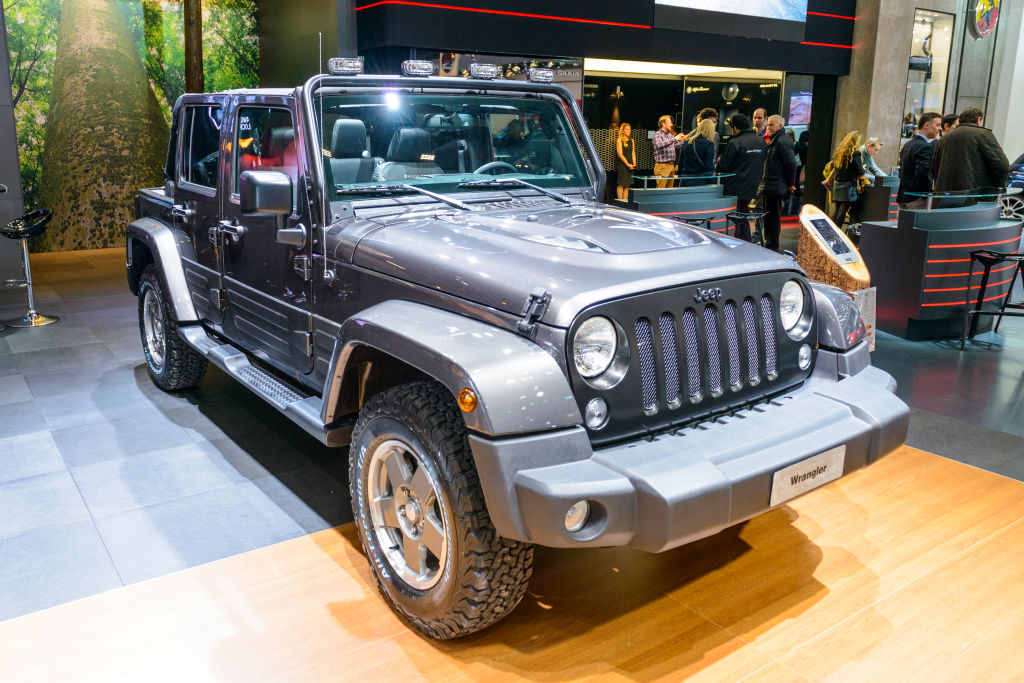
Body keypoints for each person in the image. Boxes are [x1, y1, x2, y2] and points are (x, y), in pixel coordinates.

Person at [931, 107, 1009, 195]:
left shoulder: (944, 139)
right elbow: (1002, 165)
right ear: (979, 120)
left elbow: (934, 167)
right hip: (975, 196)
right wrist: (998, 188)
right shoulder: (983, 134)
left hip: (945, 197)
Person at [717, 113, 767, 241]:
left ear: (734, 127)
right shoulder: (761, 141)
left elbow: (723, 167)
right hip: (753, 187)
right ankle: (745, 241)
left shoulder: (734, 143)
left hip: (735, 188)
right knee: (742, 215)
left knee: (738, 217)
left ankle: (742, 243)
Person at [758, 114, 796, 251]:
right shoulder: (777, 140)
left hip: (775, 186)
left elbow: (791, 164)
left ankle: (771, 247)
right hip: (772, 186)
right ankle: (770, 246)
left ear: (780, 126)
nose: (769, 127)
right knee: (769, 219)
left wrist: (791, 183)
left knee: (772, 220)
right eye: (768, 124)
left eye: (772, 125)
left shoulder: (782, 141)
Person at [897, 112, 941, 209]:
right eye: (937, 125)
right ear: (926, 125)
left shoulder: (908, 144)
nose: (940, 129)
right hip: (917, 199)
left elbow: (902, 172)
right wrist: (928, 193)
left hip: (904, 196)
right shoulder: (925, 147)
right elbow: (923, 172)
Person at [828, 131, 867, 228]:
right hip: (848, 186)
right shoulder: (855, 153)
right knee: (843, 210)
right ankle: (837, 233)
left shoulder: (839, 152)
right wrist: (864, 168)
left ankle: (831, 231)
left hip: (838, 184)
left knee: (837, 209)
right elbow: (860, 171)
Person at [677, 118, 716, 185]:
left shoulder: (688, 142)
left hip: (684, 180)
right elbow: (709, 167)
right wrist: (711, 183)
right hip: (700, 181)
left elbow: (681, 163)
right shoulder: (709, 144)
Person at [652, 115, 685, 188]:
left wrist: (683, 139)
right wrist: (675, 139)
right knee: (661, 190)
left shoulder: (670, 135)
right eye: (670, 123)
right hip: (662, 166)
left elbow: (676, 146)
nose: (672, 124)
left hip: (671, 166)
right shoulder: (657, 134)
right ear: (664, 124)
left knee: (668, 191)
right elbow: (659, 145)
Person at [615, 122, 636, 201]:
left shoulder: (632, 140)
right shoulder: (619, 140)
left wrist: (634, 163)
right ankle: (620, 201)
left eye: (630, 129)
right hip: (623, 165)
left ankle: (625, 201)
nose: (629, 131)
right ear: (623, 131)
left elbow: (633, 152)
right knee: (621, 184)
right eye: (627, 129)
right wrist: (627, 164)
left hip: (630, 164)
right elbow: (620, 154)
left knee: (627, 185)